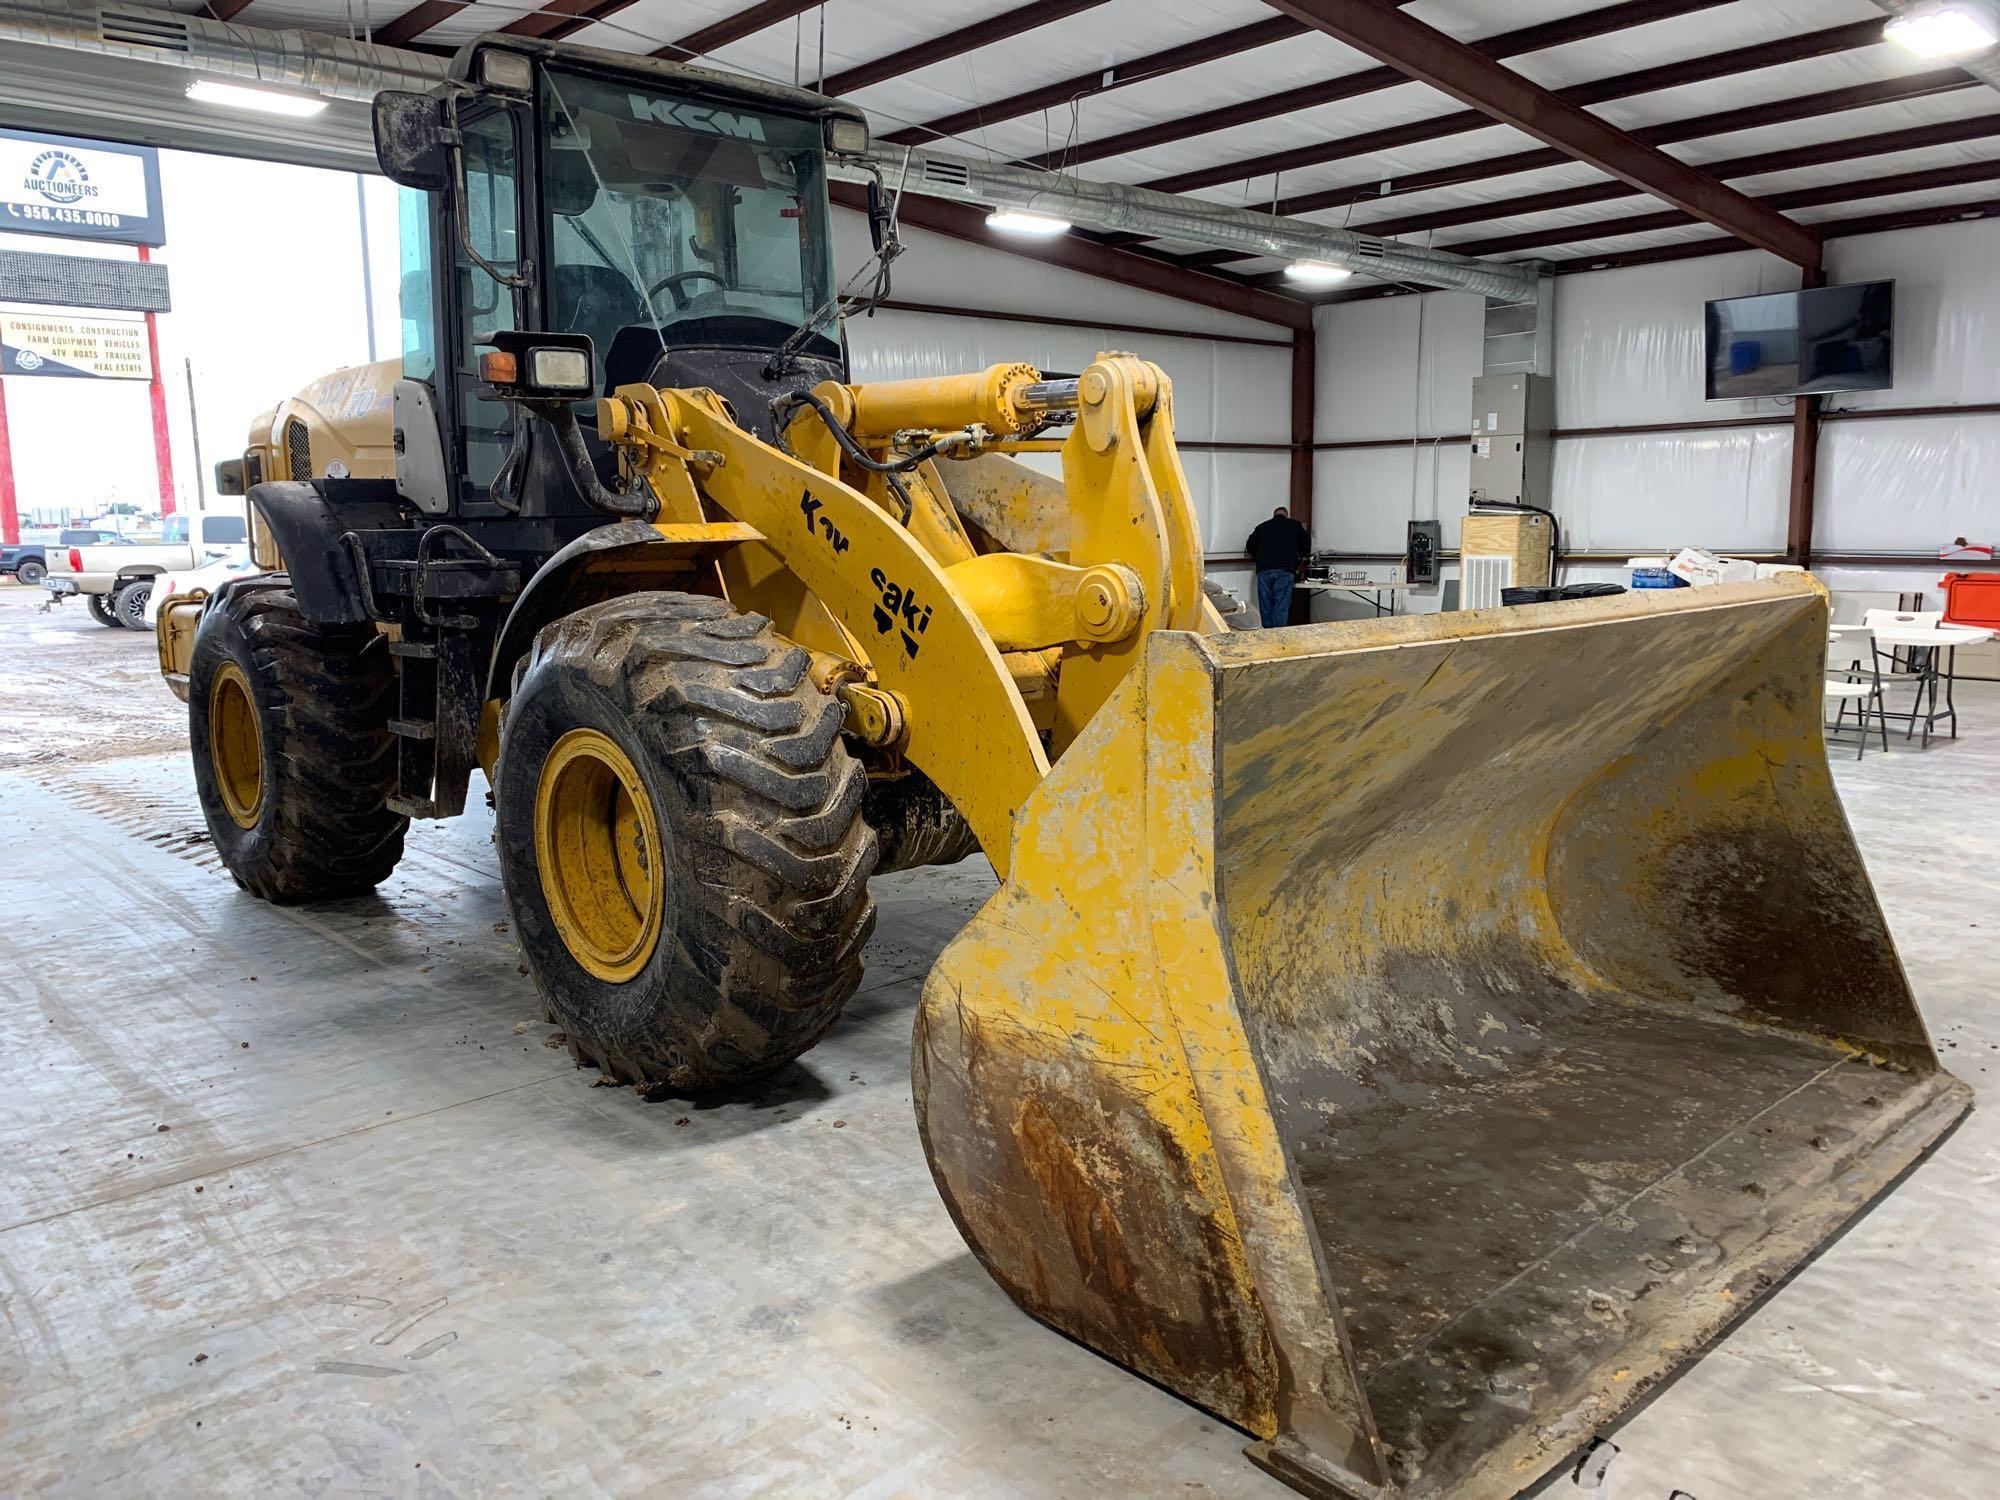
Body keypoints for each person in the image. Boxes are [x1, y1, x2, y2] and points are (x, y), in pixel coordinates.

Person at [1246, 506, 1312, 628]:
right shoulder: (1295, 525)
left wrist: (1259, 558)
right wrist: (1297, 558)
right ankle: (1279, 637)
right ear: (1286, 515)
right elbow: (1306, 545)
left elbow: (1249, 545)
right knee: (1280, 606)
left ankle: (1267, 636)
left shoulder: (1262, 527)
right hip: (1284, 570)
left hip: (1264, 570)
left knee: (1265, 605)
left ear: (1274, 515)